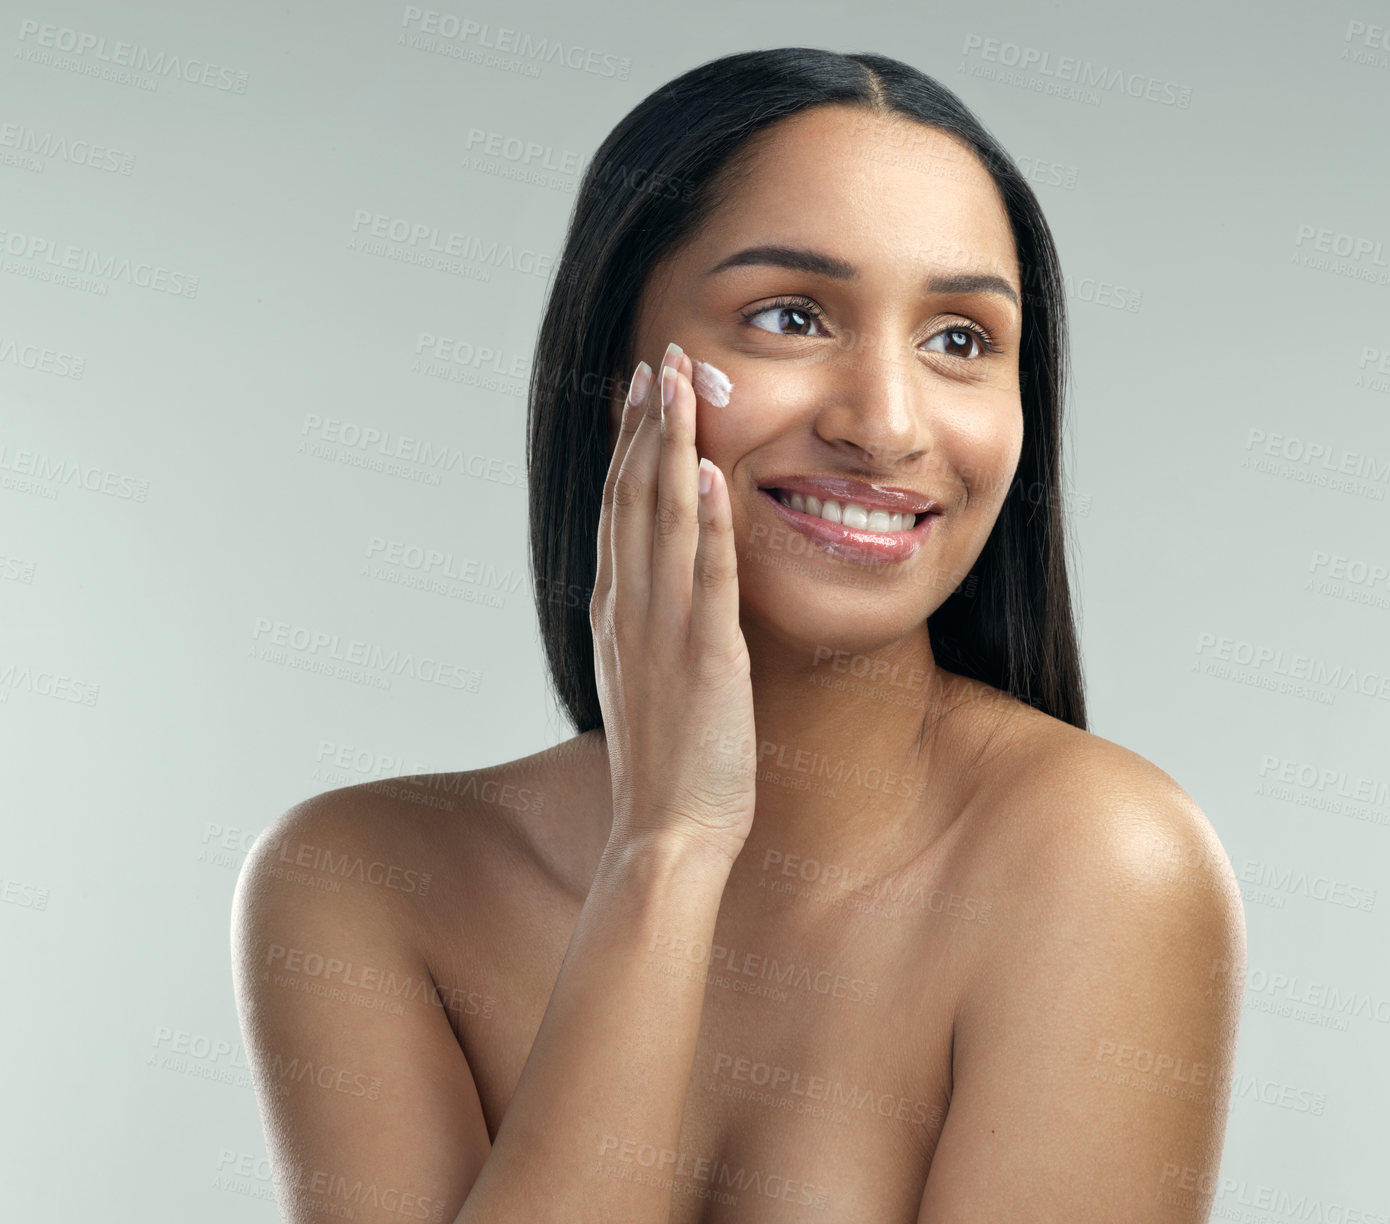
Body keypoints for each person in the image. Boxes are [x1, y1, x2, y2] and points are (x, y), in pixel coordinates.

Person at [232, 47, 1245, 1223]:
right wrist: (666, 848)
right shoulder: (361, 881)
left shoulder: (1099, 862)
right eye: (791, 316)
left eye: (961, 338)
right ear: (618, 372)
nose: (886, 422)